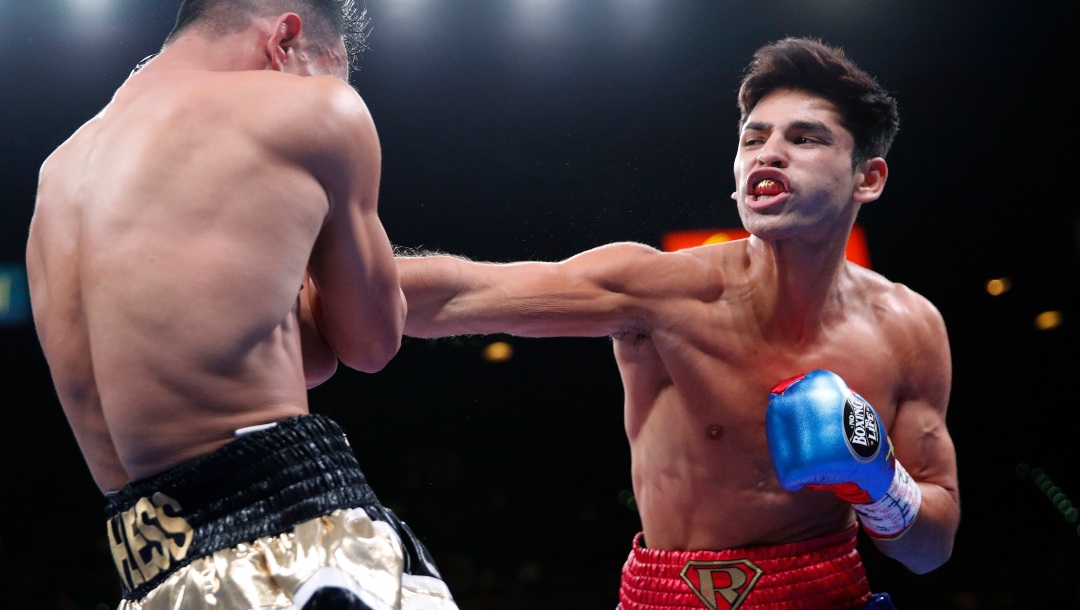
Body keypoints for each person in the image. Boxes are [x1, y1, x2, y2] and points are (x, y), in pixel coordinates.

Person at [396, 37, 959, 610]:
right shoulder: (662, 290)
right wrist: (308, 274)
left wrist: (880, 482)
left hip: (833, 594)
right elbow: (461, 292)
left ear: (868, 178)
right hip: (669, 595)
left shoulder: (908, 328)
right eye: (753, 139)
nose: (768, 153)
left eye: (805, 137)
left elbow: (930, 549)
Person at [26, 1, 458, 608]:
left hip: (149, 580)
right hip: (296, 550)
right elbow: (370, 342)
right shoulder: (317, 112)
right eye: (319, 73)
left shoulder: (57, 174)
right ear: (285, 39)